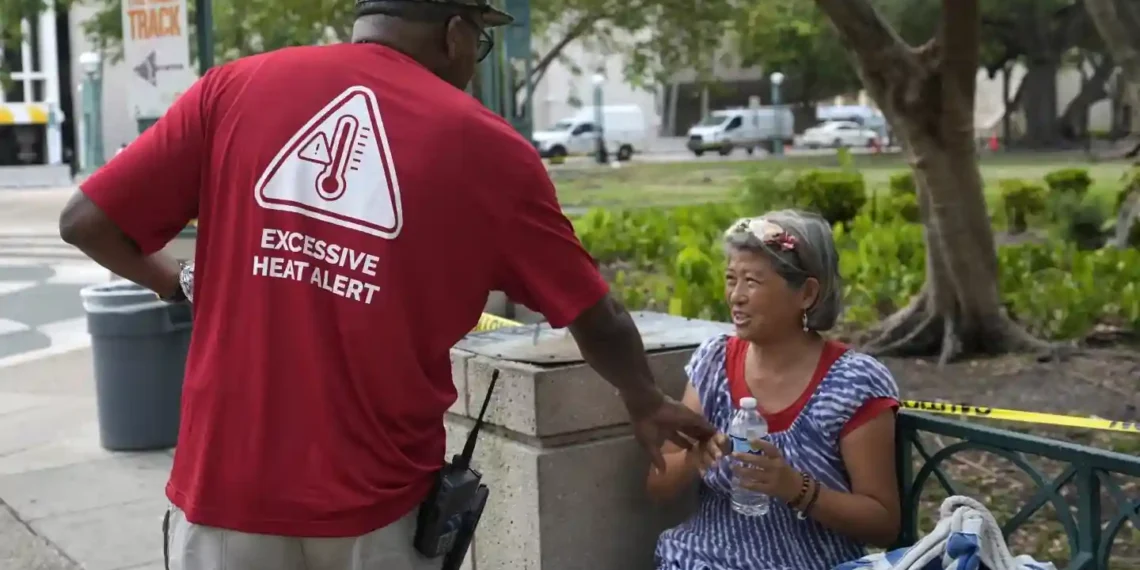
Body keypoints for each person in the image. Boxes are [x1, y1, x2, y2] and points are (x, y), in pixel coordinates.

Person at [57, 0, 716, 568]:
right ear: (455, 33)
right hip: (377, 511)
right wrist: (642, 398)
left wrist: (178, 284)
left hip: (224, 497)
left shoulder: (233, 89)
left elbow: (87, 221)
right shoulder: (489, 150)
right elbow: (592, 312)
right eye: (480, 41)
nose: (476, 59)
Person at [646, 210, 901, 570]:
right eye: (731, 278)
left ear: (807, 294)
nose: (736, 296)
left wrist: (795, 487)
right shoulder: (714, 362)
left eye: (753, 281)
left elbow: (883, 525)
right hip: (696, 560)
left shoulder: (853, 383)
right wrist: (694, 458)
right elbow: (657, 485)